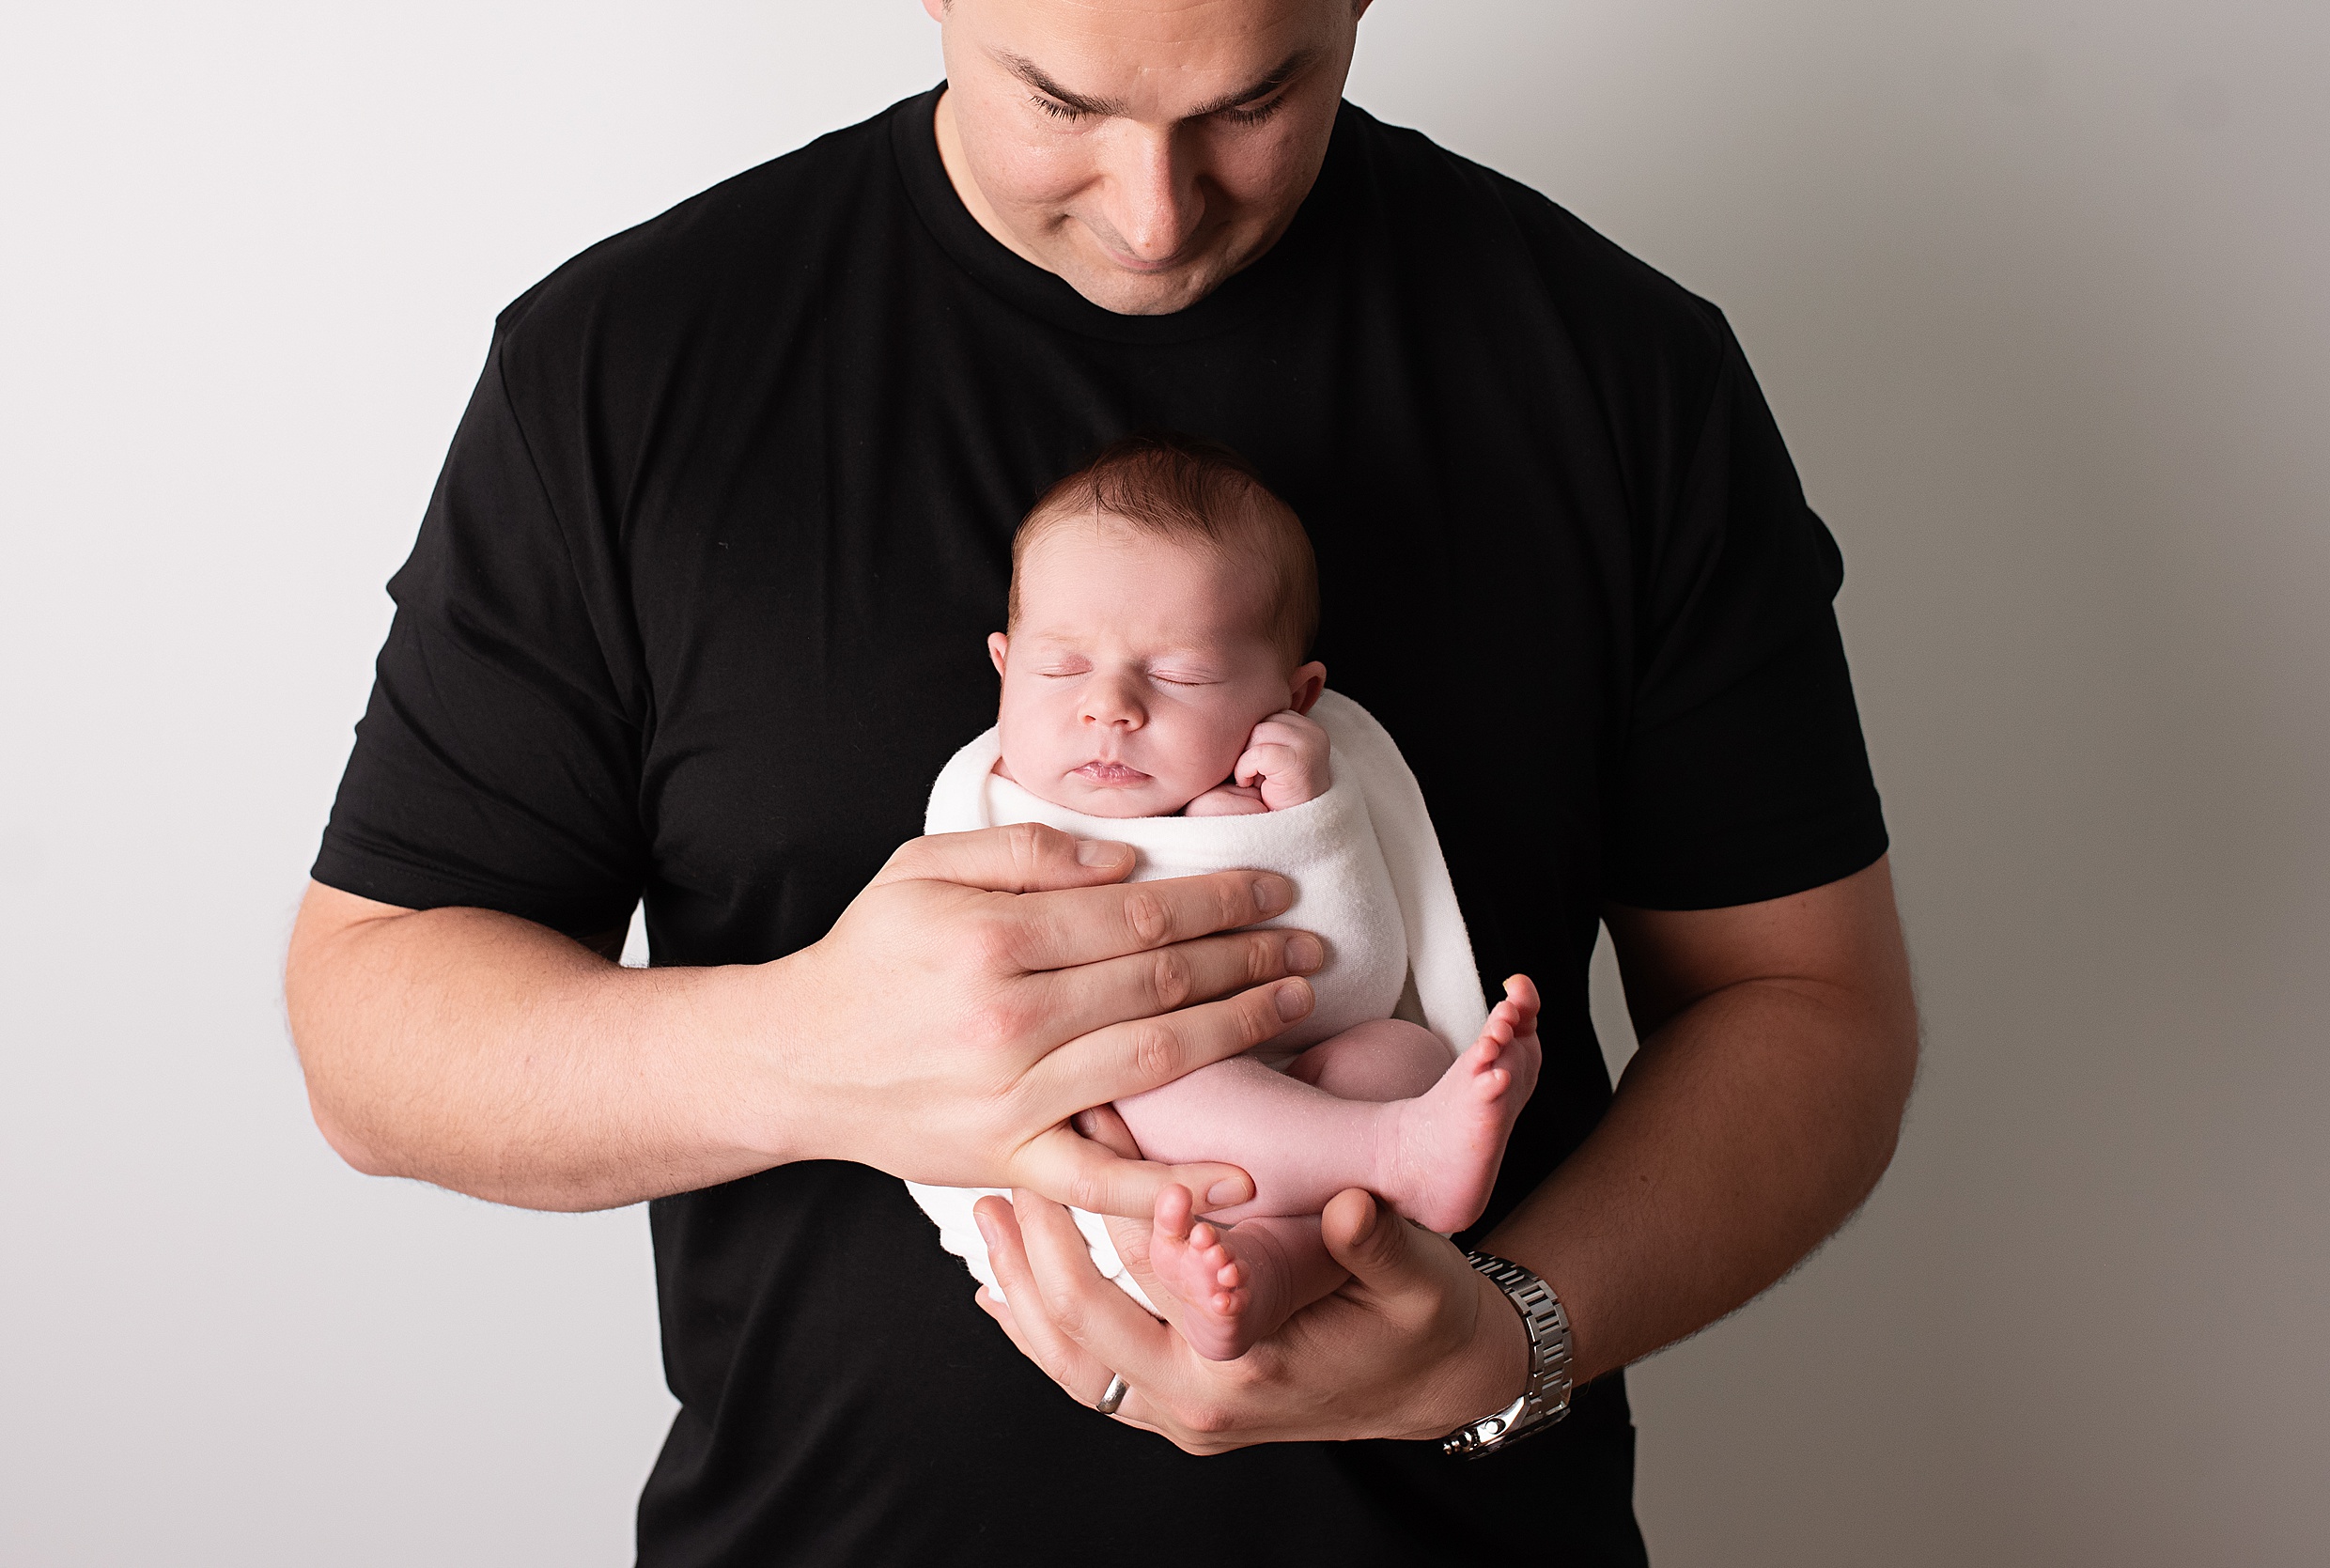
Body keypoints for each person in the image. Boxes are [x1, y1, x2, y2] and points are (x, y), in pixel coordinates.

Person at [284, 1, 1919, 1562]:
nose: (1153, 214)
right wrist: (812, 1046)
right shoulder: (627, 368)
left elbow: (1808, 1005)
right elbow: (372, 1029)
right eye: (1063, 102)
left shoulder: (1619, 371)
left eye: (1253, 103)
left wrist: (1507, 1336)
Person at [906, 433, 1546, 1361]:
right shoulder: (992, 812)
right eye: (1060, 668)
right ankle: (1391, 1152)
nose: (1110, 705)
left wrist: (1304, 824)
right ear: (1003, 667)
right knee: (1154, 1059)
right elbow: (970, 1014)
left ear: (1293, 695)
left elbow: (1359, 980)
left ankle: (1270, 1272)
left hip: (1276, 1145)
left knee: (1403, 1051)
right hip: (1123, 1132)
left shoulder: (1296, 795)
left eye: (1181, 675)